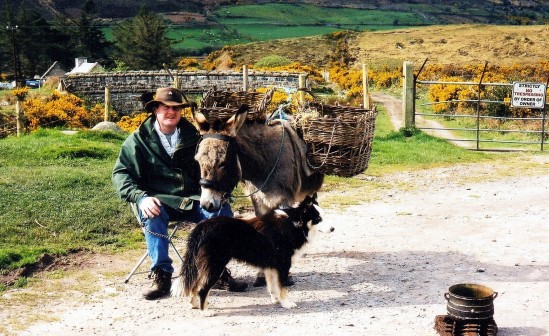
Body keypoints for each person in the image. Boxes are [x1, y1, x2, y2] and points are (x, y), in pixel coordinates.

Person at [112, 87, 247, 300]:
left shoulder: (196, 136)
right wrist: (141, 198)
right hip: (159, 200)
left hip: (194, 199)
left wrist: (222, 190)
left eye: (176, 108)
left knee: (220, 215)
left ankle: (216, 270)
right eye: (165, 107)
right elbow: (121, 174)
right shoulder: (138, 140)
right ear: (155, 109)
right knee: (152, 214)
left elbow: (217, 167)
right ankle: (162, 275)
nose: (171, 112)